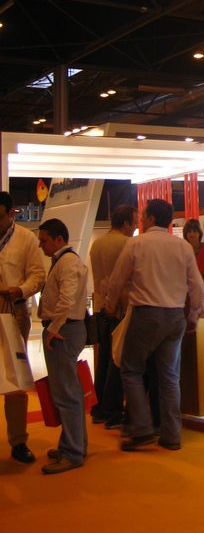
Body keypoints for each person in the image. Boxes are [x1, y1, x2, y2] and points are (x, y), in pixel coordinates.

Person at [106, 199, 204, 452]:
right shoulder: (183, 246)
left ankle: (141, 429)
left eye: (144, 215)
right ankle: (172, 435)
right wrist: (194, 314)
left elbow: (117, 279)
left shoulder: (136, 243)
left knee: (130, 370)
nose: (141, 219)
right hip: (175, 316)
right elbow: (197, 285)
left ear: (150, 218)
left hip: (146, 314)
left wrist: (110, 304)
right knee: (170, 377)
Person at [37, 218, 89, 474]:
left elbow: (66, 298)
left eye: (44, 240)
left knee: (66, 394)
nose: (41, 245)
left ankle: (72, 452)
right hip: (66, 329)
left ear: (59, 240)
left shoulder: (67, 262)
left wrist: (53, 329)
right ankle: (74, 444)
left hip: (64, 331)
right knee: (69, 392)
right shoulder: (66, 261)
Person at [0, 191, 46, 464]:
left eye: (0, 217)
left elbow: (38, 275)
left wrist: (20, 290)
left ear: (11, 213)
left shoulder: (26, 239)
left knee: (15, 378)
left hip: (13, 311)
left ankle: (18, 441)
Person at [89, 204, 138, 428]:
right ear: (126, 224)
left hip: (100, 307)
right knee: (117, 362)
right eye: (134, 223)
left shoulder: (97, 244)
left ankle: (99, 408)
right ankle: (112, 412)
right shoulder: (126, 243)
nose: (135, 227)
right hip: (119, 308)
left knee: (104, 360)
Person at [182, 218, 204, 289]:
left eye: (194, 231)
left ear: (199, 233)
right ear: (185, 234)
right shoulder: (181, 251)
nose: (192, 234)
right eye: (189, 231)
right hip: (185, 290)